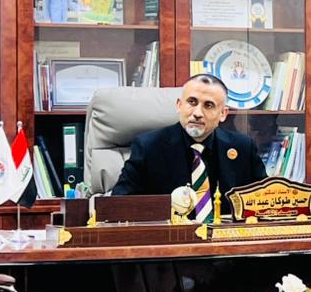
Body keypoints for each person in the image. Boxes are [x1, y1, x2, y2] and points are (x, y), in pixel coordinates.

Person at [111, 74, 267, 220]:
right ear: (179, 105)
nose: (197, 113)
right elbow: (119, 204)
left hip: (227, 237)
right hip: (171, 236)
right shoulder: (149, 147)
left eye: (208, 105)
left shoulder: (243, 148)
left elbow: (267, 200)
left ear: (223, 114)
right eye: (192, 102)